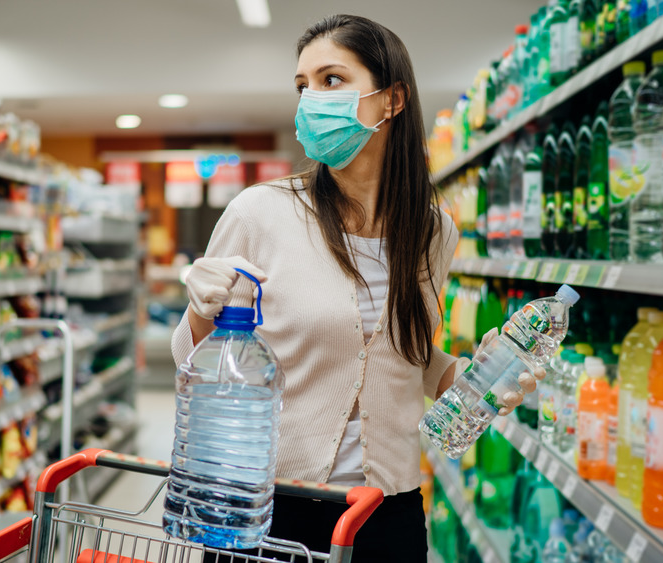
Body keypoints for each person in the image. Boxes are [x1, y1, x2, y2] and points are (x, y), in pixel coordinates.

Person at [171, 14, 543, 562]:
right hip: (273, 505)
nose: (311, 99)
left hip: (387, 510)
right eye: (303, 86)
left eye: (332, 80)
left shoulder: (433, 232)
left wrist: (471, 378)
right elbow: (194, 365)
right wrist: (200, 311)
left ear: (391, 100)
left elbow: (405, 357)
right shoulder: (261, 212)